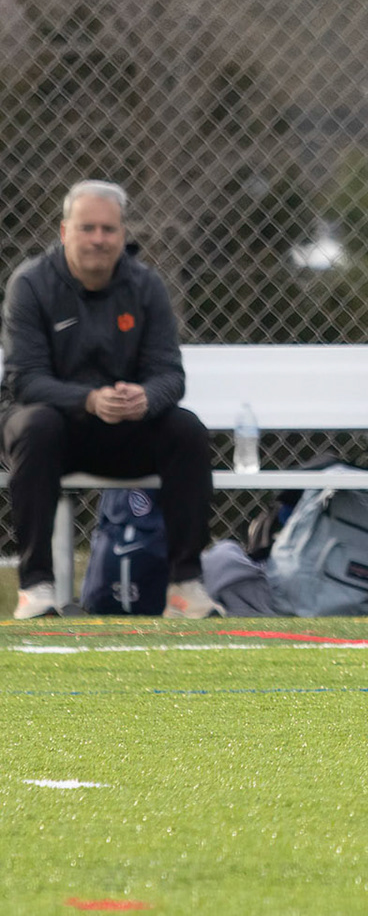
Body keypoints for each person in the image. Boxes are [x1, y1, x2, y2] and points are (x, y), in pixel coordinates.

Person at [3, 180, 220, 619]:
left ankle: (184, 586)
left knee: (186, 430)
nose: (98, 239)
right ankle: (36, 587)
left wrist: (146, 397)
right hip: (52, 432)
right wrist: (88, 399)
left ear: (123, 235)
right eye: (87, 228)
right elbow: (25, 380)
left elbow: (170, 375)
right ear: (64, 231)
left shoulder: (147, 286)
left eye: (108, 229)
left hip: (122, 430)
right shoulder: (30, 284)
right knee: (36, 425)